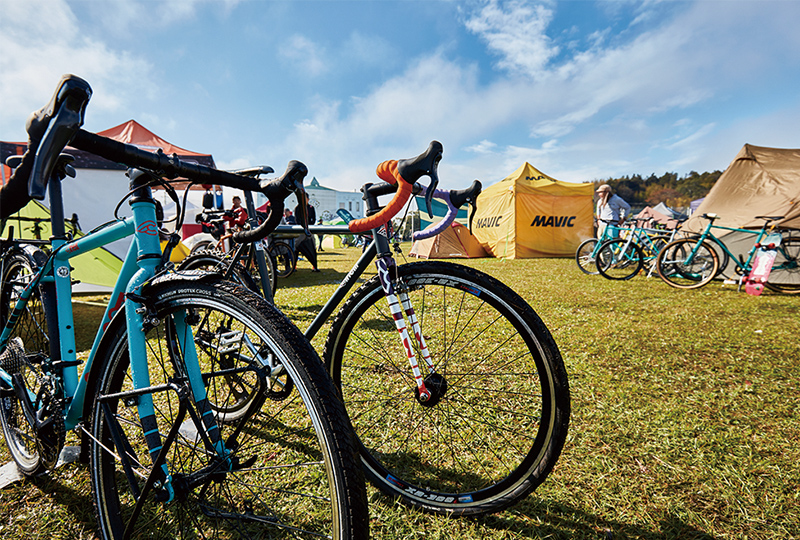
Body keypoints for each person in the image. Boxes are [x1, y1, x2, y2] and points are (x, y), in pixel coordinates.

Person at [294, 193, 319, 272]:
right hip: (300, 231)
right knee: (296, 247)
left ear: (308, 199)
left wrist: (309, 226)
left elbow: (313, 219)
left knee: (312, 247)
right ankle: (294, 266)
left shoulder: (311, 208)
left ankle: (314, 266)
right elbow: (297, 219)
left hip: (310, 230)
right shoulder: (297, 208)